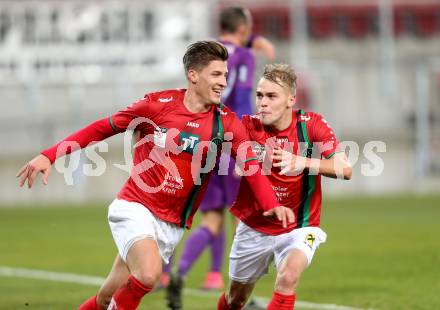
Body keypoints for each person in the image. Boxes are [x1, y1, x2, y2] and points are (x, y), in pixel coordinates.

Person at [16, 41, 294, 310]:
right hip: (135, 207)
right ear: (193, 75)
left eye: (225, 75)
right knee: (148, 275)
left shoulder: (226, 122)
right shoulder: (156, 105)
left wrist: (272, 205)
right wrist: (49, 155)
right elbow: (103, 128)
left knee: (106, 298)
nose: (223, 81)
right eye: (217, 74)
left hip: (171, 225)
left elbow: (251, 167)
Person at [216, 63, 352, 310]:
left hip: (299, 226)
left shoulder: (312, 125)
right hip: (254, 226)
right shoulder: (246, 127)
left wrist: (303, 161)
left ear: (291, 100)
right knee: (235, 299)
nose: (263, 103)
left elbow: (345, 168)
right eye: (259, 95)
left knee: (288, 277)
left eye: (271, 96)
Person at [164, 6, 276, 295]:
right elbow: (239, 101)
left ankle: (193, 273)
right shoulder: (244, 58)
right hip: (230, 141)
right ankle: (230, 286)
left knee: (211, 213)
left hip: (202, 139)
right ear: (244, 29)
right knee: (239, 217)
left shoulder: (209, 54)